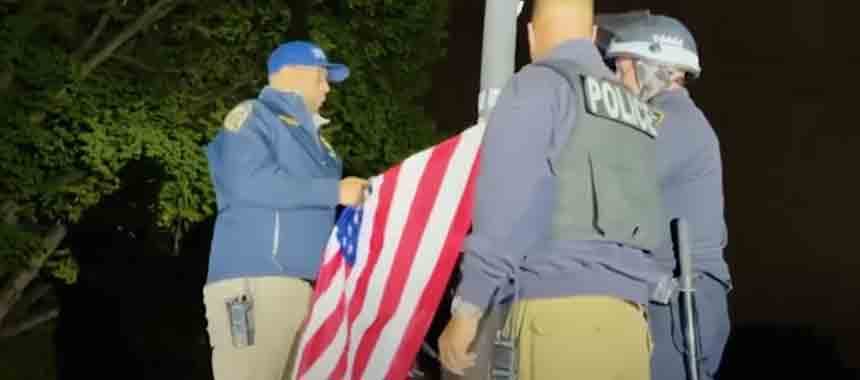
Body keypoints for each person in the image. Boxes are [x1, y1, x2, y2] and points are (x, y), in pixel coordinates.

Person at [438, 1, 672, 379]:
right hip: (629, 326)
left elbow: (506, 207)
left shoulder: (538, 84)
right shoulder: (635, 107)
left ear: (530, 34)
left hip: (560, 316)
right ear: (594, 35)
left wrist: (469, 308)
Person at [202, 41, 368, 380]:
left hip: (306, 288)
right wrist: (335, 191)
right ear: (290, 74)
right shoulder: (254, 116)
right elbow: (248, 183)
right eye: (321, 77)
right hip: (256, 282)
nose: (327, 88)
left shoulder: (322, 146)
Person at [598, 12, 732, 380]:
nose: (616, 78)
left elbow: (602, 187)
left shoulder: (671, 120)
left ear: (653, 69)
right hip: (670, 294)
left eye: (623, 68)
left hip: (681, 300)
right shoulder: (666, 120)